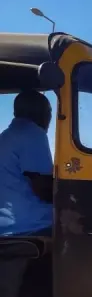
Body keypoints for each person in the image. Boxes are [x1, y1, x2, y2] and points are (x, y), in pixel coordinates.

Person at [0, 90, 54, 236]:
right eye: (50, 112)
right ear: (43, 113)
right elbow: (42, 187)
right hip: (31, 226)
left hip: (6, 227)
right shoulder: (33, 134)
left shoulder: (5, 137)